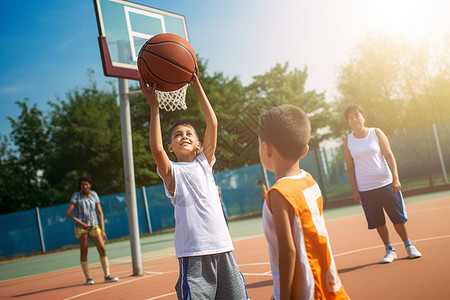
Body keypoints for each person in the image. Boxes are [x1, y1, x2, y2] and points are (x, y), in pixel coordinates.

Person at [139, 73, 248, 300]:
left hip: (223, 248)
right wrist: (154, 108)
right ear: (171, 147)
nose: (184, 136)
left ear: (199, 144)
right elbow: (156, 150)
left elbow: (213, 123)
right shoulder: (172, 172)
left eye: (189, 134)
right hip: (194, 254)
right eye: (178, 135)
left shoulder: (204, 164)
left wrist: (196, 85)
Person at [258, 104, 349, 300]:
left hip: (307, 291)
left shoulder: (278, 194)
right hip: (327, 284)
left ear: (266, 149)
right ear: (305, 150)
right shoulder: (309, 181)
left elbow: (288, 251)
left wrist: (283, 296)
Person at [343, 105, 422, 263]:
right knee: (378, 221)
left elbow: (389, 155)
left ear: (363, 117)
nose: (355, 120)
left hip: (386, 183)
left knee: (397, 218)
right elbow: (350, 167)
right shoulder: (348, 141)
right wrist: (355, 190)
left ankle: (409, 246)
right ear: (348, 122)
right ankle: (389, 249)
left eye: (357, 116)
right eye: (351, 117)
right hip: (366, 188)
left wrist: (396, 178)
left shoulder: (375, 132)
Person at [66, 175, 119, 285]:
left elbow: (100, 212)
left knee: (102, 249)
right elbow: (68, 213)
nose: (84, 186)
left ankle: (107, 275)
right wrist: (82, 223)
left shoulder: (94, 194)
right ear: (80, 186)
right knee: (84, 251)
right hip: (82, 228)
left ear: (90, 185)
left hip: (94, 226)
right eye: (82, 185)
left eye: (86, 184)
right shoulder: (76, 196)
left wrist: (103, 230)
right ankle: (88, 278)